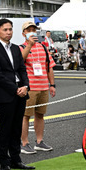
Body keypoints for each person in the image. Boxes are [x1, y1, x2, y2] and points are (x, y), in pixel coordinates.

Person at [0, 19, 35, 170]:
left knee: (16, 127)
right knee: (5, 128)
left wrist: (25, 86)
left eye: (10, 29)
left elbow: (22, 69)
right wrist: (15, 89)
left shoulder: (15, 48)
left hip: (20, 92)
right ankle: (4, 161)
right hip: (5, 94)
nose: (8, 32)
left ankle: (16, 159)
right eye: (5, 29)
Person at [19, 21, 56, 154]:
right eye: (29, 30)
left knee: (40, 114)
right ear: (24, 33)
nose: (32, 32)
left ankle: (39, 141)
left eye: (34, 29)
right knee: (25, 116)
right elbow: (19, 62)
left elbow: (49, 67)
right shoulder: (21, 47)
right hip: (29, 87)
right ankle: (24, 143)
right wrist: (29, 45)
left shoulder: (43, 47)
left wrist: (52, 85)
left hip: (43, 86)